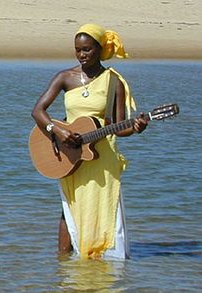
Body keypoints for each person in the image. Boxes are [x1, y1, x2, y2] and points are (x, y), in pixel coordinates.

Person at [31, 23, 148, 260]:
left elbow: (119, 125)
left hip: (101, 158)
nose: (82, 55)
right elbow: (38, 111)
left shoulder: (114, 81)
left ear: (100, 49)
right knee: (70, 209)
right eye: (78, 50)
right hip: (69, 154)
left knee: (106, 209)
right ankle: (64, 263)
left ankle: (106, 261)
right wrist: (58, 131)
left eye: (87, 50)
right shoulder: (64, 77)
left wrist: (135, 128)